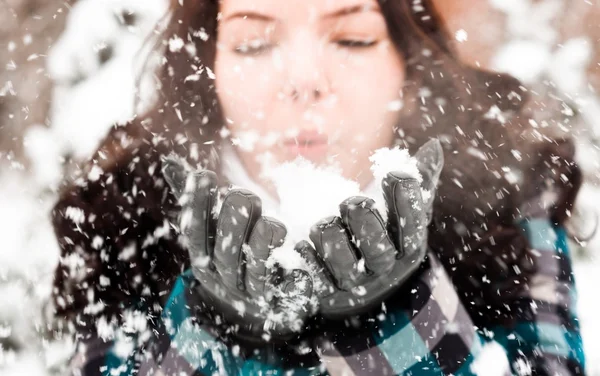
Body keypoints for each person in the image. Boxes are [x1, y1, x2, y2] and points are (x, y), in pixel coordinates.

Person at [51, 0, 585, 374]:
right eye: (255, 42)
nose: (304, 78)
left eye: (352, 37)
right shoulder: (127, 212)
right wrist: (216, 336)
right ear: (207, 66)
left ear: (406, 59)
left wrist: (398, 327)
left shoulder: (498, 199)